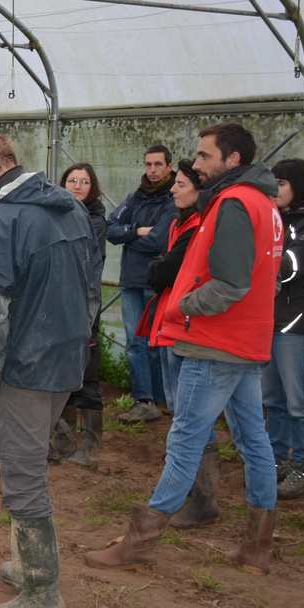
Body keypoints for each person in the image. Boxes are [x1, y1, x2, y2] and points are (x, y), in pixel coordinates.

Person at [86, 123, 282, 577]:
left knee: (186, 438)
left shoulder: (233, 203)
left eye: (204, 156)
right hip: (248, 340)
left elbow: (232, 282)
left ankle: (141, 541)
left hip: (215, 341)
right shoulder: (265, 205)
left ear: (232, 160)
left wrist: (184, 306)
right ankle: (257, 546)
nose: (195, 164)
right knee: (254, 440)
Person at [0, 132, 101, 608]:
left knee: (23, 475)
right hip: (66, 362)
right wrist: (79, 345)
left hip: (23, 366)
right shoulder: (71, 209)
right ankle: (25, 564)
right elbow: (91, 287)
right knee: (30, 461)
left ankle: (43, 594)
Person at [144, 159, 213, 526]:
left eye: (181, 184)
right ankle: (197, 495)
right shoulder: (179, 222)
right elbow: (160, 262)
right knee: (181, 411)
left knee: (190, 415)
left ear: (199, 191)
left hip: (185, 327)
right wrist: (160, 266)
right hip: (172, 323)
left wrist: (159, 268)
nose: (173, 189)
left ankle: (201, 500)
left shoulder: (199, 225)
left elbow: (166, 269)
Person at [107, 145, 175, 423]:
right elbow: (111, 229)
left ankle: (161, 399)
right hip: (131, 282)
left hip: (155, 282)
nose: (152, 170)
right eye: (148, 164)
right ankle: (144, 399)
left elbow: (159, 241)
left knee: (157, 346)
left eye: (158, 164)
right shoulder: (135, 197)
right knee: (135, 343)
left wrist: (130, 239)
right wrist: (136, 231)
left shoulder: (173, 198)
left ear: (169, 167)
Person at [263, 158, 304, 499]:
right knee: (272, 398)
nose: (275, 189)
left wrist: (255, 262)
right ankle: (277, 460)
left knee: (299, 401)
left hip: (297, 324)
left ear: (299, 185)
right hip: (271, 321)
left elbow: (290, 267)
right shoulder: (275, 221)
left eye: (281, 183)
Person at [57, 162, 108, 467]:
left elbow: (81, 266)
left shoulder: (95, 221)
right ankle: (63, 440)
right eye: (71, 180)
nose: (76, 186)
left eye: (84, 182)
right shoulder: (57, 217)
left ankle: (89, 448)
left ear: (93, 188)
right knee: (61, 373)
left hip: (82, 310)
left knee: (86, 374)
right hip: (58, 308)